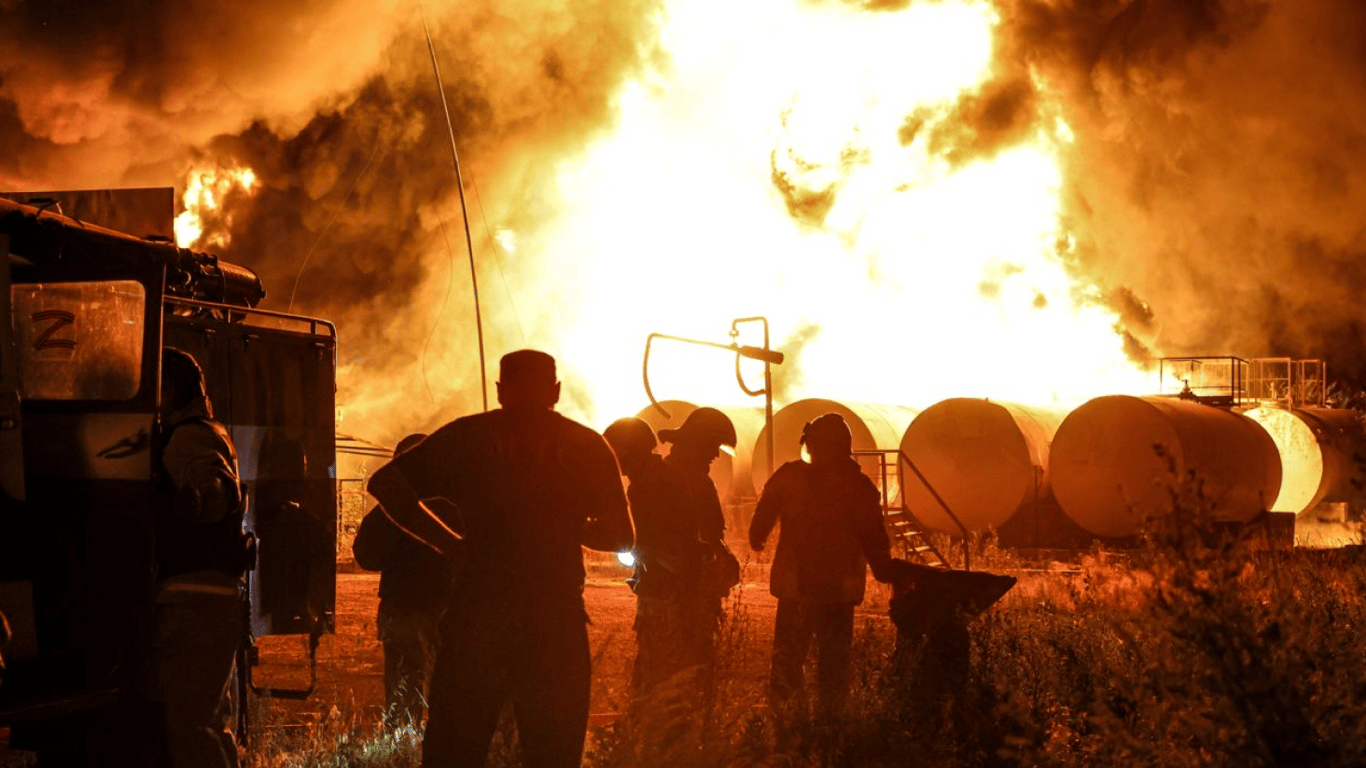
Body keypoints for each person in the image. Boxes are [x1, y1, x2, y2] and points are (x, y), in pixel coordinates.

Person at [367, 350, 633, 768]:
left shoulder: (466, 438)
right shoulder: (585, 447)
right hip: (554, 623)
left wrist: (451, 543)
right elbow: (622, 535)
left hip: (478, 617)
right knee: (553, 755)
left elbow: (386, 483)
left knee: (453, 752)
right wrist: (564, 526)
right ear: (556, 391)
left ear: (500, 390)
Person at [749, 413, 907, 731]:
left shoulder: (789, 477)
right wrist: (886, 571)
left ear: (812, 445)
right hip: (838, 593)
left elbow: (757, 529)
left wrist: (759, 537)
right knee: (833, 665)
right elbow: (874, 538)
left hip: (796, 589)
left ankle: (784, 726)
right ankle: (830, 727)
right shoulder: (858, 487)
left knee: (787, 661)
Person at [153, 347, 250, 768]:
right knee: (207, 721)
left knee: (189, 725)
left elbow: (215, 490)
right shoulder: (205, 430)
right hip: (207, 596)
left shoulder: (190, 435)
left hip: (196, 596)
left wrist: (195, 502)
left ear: (170, 389)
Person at [603, 413, 735, 702]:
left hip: (671, 589)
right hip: (675, 585)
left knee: (664, 665)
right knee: (682, 664)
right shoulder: (662, 479)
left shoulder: (650, 484)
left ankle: (657, 726)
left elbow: (663, 541)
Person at [352, 432, 454, 728]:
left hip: (402, 607)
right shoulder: (457, 505)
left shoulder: (387, 512)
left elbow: (366, 556)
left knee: (402, 690)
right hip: (447, 609)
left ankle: (401, 751)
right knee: (449, 689)